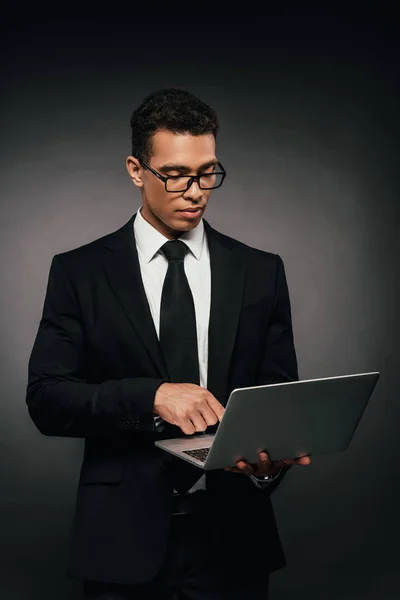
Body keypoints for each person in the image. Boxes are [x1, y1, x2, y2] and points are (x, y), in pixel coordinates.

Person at [26, 88, 311, 600]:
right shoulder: (80, 271)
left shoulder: (261, 271)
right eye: (176, 174)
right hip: (119, 540)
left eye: (208, 173)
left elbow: (277, 395)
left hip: (234, 539)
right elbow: (47, 399)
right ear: (137, 169)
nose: (196, 190)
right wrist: (151, 395)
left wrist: (269, 462)